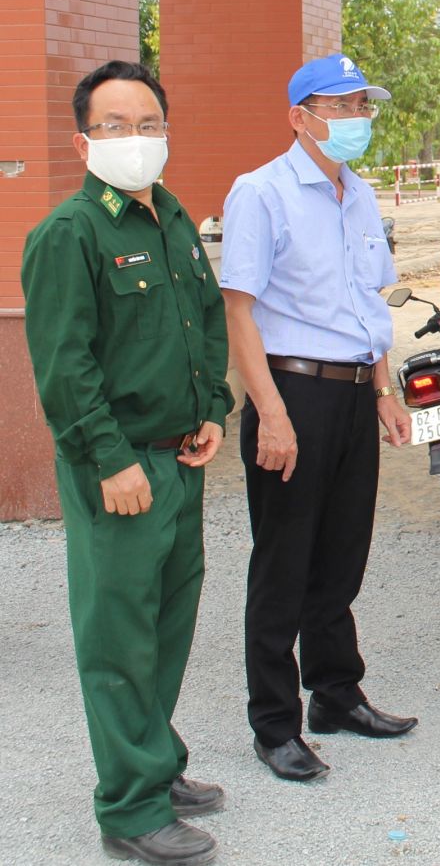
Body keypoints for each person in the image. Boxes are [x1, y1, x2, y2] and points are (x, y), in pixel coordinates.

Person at [22, 61, 231, 866]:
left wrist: (213, 409)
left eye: (147, 123)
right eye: (113, 125)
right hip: (119, 470)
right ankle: (129, 805)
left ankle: (155, 758)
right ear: (82, 140)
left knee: (168, 625)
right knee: (119, 638)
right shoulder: (70, 234)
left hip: (180, 459)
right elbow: (64, 366)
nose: (133, 138)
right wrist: (111, 460)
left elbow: (206, 322)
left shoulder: (174, 219)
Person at [221, 53, 416, 782]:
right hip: (291, 394)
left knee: (341, 555)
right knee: (283, 565)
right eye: (342, 107)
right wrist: (269, 412)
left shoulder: (359, 194)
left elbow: (369, 308)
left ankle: (336, 692)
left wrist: (384, 391)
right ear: (300, 116)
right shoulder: (260, 193)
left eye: (363, 105)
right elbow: (239, 311)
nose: (357, 120)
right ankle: (275, 723)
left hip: (350, 395)